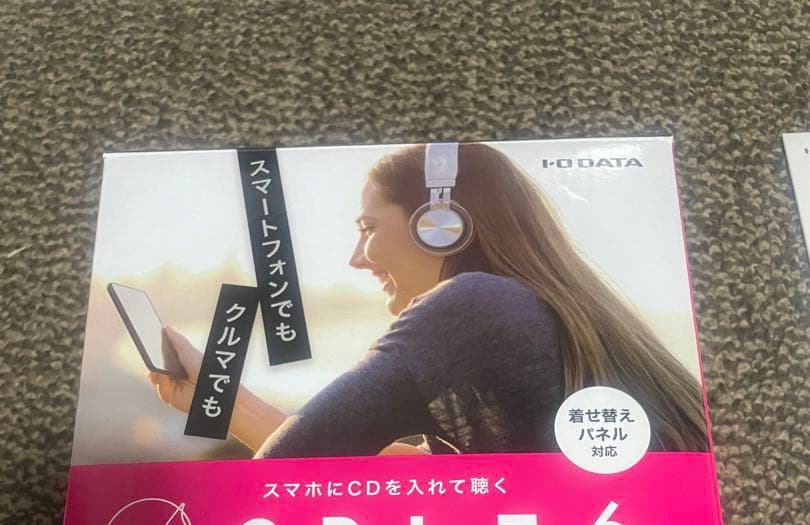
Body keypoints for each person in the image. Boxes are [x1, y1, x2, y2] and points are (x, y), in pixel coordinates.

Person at [152, 142, 708, 455]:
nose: (356, 258)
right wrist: (219, 400)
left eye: (367, 227)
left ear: (440, 225)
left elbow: (286, 467)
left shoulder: (470, 307)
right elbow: (422, 475)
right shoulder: (539, 309)